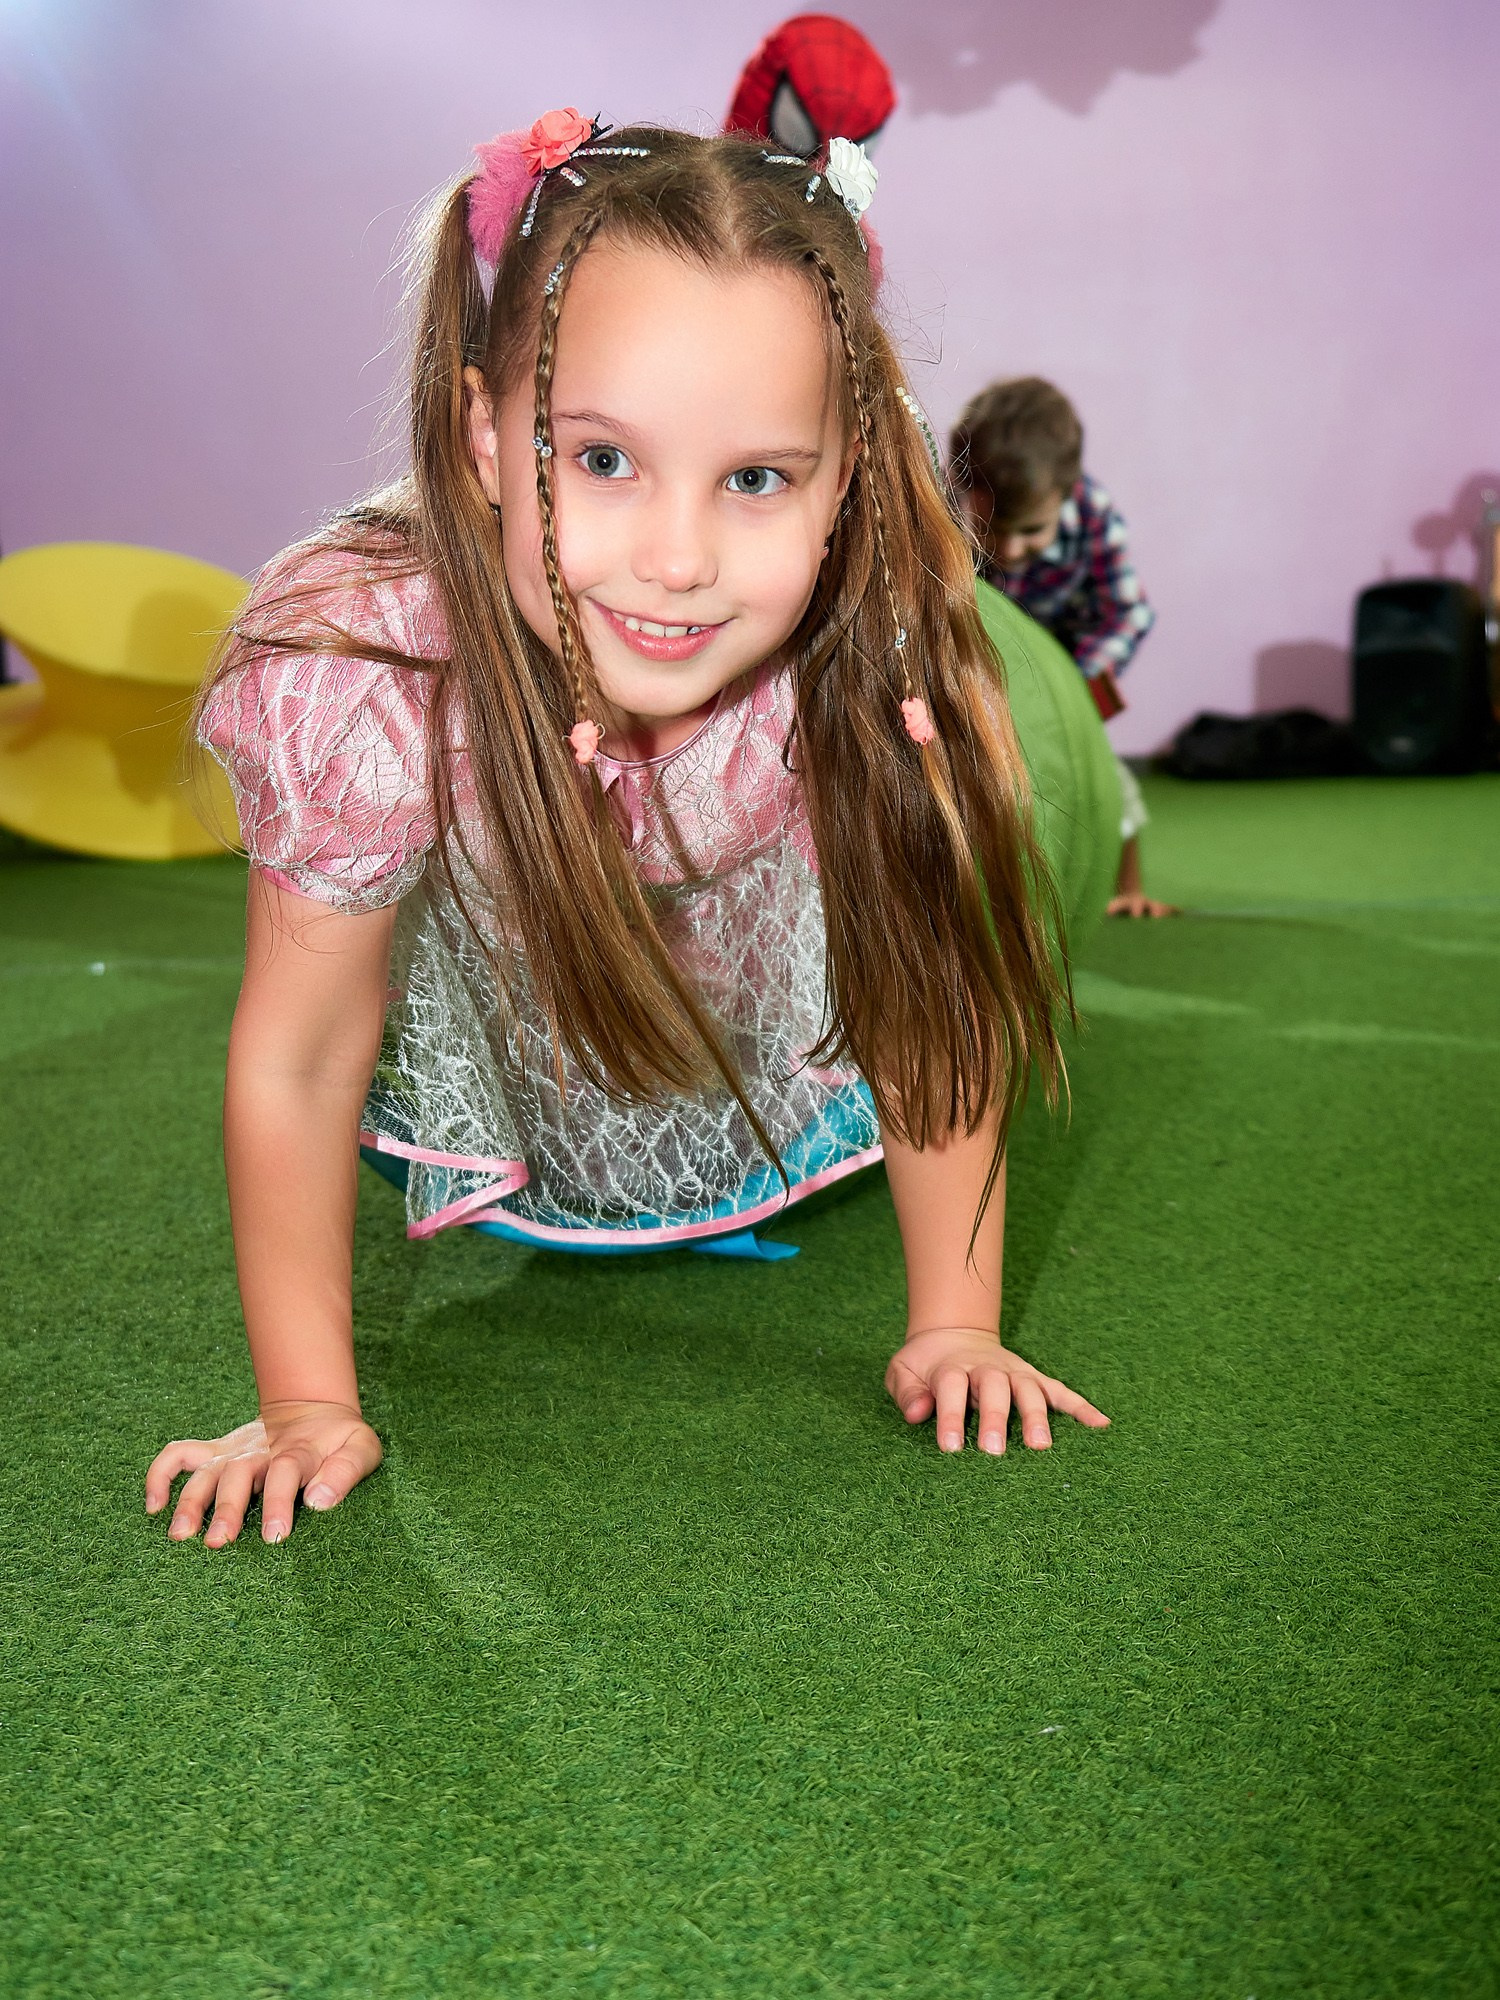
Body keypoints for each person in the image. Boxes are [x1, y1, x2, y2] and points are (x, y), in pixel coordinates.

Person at [145, 114, 1111, 1550]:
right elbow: (301, 1048)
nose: (677, 559)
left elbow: (928, 995)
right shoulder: (366, 661)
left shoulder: (872, 648)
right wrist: (303, 1405)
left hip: (756, 984)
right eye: (601, 460)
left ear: (845, 477)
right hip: (519, 976)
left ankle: (724, 1127)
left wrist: (956, 1325)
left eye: (757, 479)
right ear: (483, 433)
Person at [950, 376, 1176, 918]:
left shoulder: (1093, 516)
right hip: (978, 672)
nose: (1008, 549)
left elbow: (1128, 613)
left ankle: (1127, 887)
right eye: (993, 528)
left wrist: (1076, 684)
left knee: (1106, 785)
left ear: (1067, 493)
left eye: (1031, 530)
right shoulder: (943, 511)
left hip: (1066, 671)